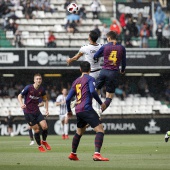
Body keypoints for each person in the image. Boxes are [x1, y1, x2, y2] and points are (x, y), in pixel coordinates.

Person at [66, 61, 109, 161]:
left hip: (78, 110)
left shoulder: (76, 81)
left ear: (80, 69)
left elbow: (68, 99)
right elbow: (92, 91)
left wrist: (69, 111)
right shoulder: (90, 78)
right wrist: (101, 102)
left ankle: (73, 154)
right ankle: (97, 154)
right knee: (100, 130)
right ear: (90, 69)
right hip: (86, 108)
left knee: (79, 132)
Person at [66, 30, 103, 111]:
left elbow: (76, 57)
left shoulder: (85, 48)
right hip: (99, 72)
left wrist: (70, 60)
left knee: (83, 89)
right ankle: (98, 110)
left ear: (89, 38)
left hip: (90, 73)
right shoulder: (101, 46)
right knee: (98, 90)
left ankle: (77, 101)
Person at [93, 31, 126, 112]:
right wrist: (122, 70)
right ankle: (99, 111)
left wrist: (104, 54)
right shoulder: (122, 48)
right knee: (109, 97)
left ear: (109, 38)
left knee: (95, 89)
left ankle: (87, 104)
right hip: (113, 73)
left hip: (103, 71)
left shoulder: (105, 46)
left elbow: (95, 56)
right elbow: (124, 62)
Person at [18, 73, 51, 152]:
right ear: (34, 80)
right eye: (37, 79)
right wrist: (21, 104)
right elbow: (19, 95)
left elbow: (45, 100)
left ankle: (44, 141)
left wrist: (46, 109)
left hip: (37, 111)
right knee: (36, 130)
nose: (39, 80)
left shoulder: (41, 89)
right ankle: (39, 146)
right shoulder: (28, 88)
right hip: (28, 112)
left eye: (40, 79)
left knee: (45, 127)